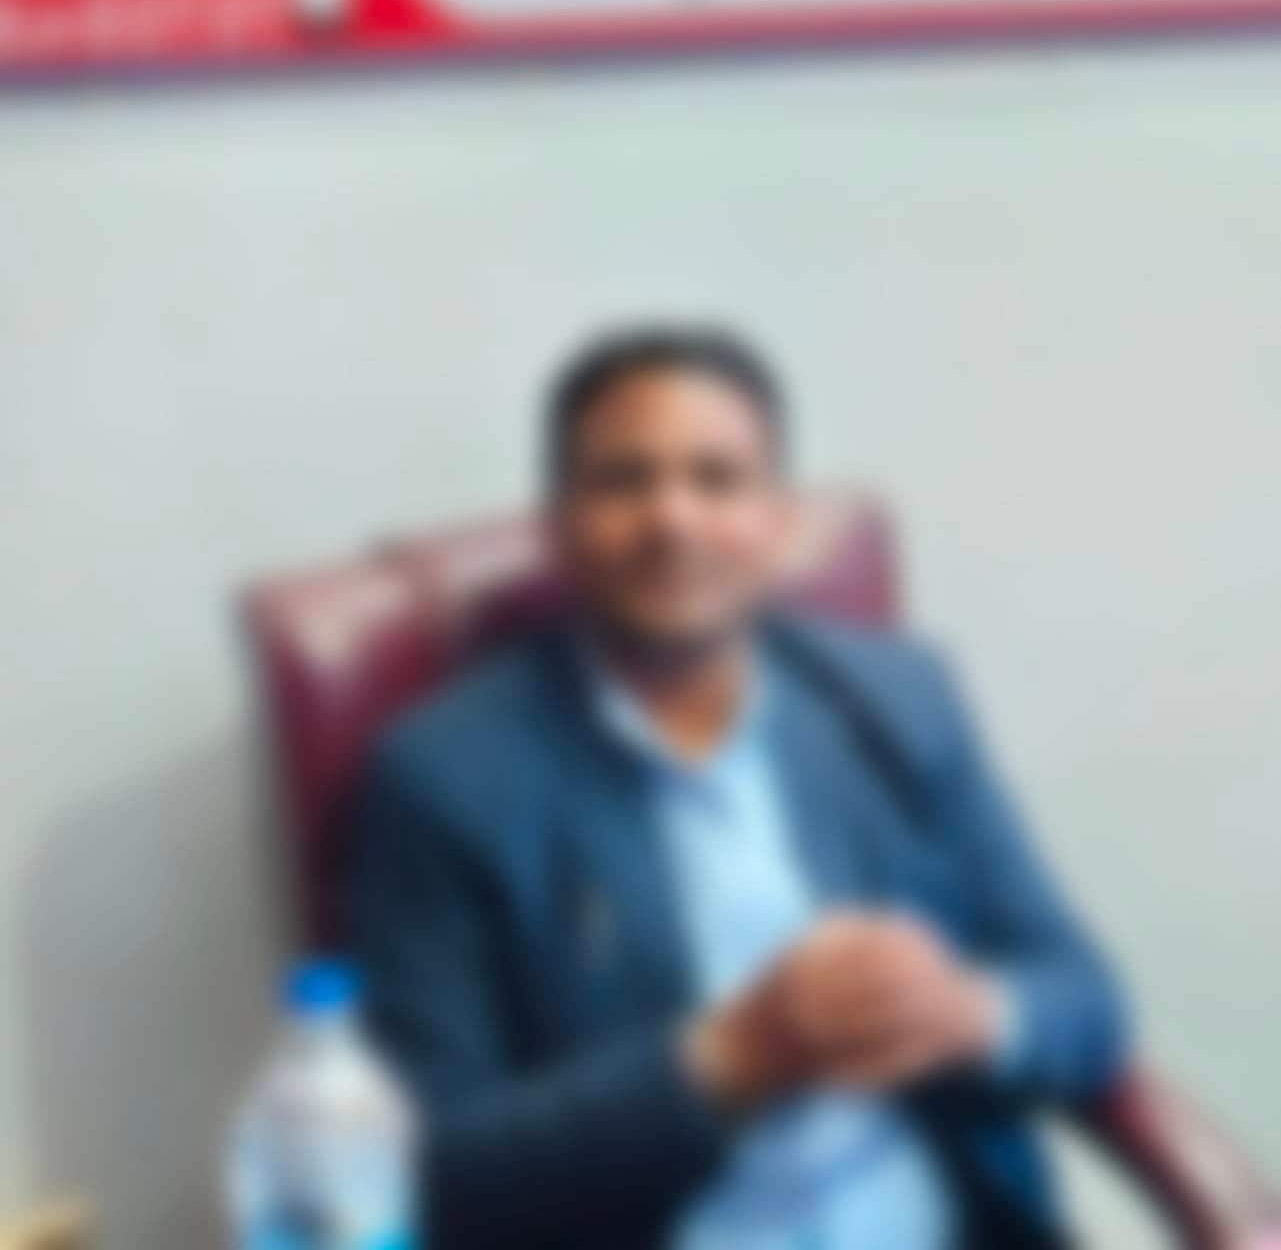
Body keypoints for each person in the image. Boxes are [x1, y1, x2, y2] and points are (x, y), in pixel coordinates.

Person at [351, 327, 1129, 1249]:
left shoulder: (900, 699)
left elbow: (1084, 998)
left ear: (778, 522)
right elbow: (435, 1174)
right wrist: (728, 1058)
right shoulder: (442, 779)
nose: (672, 518)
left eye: (717, 479)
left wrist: (971, 1014)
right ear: (556, 523)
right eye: (623, 480)